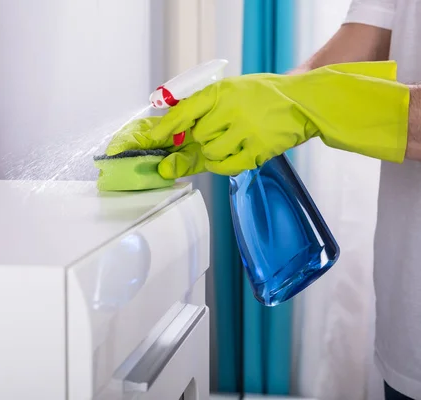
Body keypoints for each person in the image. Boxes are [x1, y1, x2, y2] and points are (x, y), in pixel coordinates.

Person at [105, 1, 421, 399]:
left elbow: (309, 98)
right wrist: (260, 100)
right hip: (406, 333)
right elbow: (354, 49)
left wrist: (308, 106)